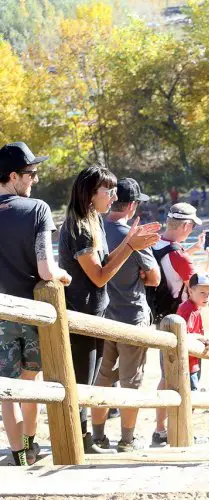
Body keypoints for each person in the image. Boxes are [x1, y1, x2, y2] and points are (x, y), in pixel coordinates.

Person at [57, 165, 160, 454]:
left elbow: (103, 267)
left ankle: (85, 439)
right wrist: (129, 247)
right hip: (81, 317)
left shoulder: (93, 222)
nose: (114, 196)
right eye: (108, 190)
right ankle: (78, 441)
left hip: (95, 317)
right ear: (91, 193)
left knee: (92, 383)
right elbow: (99, 276)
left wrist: (130, 241)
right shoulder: (79, 226)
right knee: (82, 384)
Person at [0, 142, 71, 466]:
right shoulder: (38, 209)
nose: (35, 180)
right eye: (31, 173)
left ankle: (17, 455)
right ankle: (30, 444)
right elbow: (46, 269)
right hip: (31, 311)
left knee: (6, 387)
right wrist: (62, 275)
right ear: (13, 176)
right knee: (30, 383)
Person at [91, 178, 159, 453]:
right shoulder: (133, 235)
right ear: (132, 205)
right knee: (132, 381)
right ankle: (127, 440)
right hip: (131, 315)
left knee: (103, 378)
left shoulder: (95, 230)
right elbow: (154, 278)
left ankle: (97, 436)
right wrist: (141, 274)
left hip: (102, 316)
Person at [151, 203, 209, 445]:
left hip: (160, 317)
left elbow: (172, 260)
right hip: (180, 321)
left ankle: (160, 429)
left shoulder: (156, 243)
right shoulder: (178, 254)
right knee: (182, 376)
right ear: (186, 225)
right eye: (191, 227)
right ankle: (179, 428)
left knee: (164, 375)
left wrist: (194, 249)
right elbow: (200, 284)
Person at [178, 273, 209, 392]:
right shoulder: (189, 309)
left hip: (192, 361)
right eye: (202, 293)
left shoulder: (194, 308)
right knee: (190, 396)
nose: (207, 297)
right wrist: (204, 340)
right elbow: (185, 335)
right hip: (187, 363)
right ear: (190, 291)